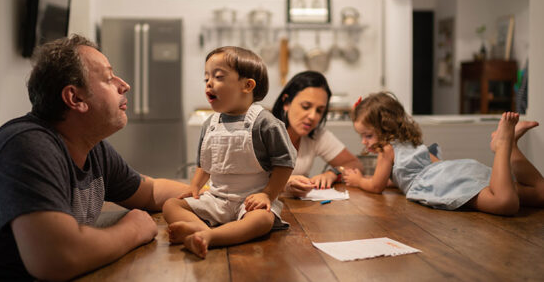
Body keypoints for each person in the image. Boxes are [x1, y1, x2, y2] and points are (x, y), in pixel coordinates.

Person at [0, 35, 190, 281]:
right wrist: (134, 229)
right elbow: (56, 258)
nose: (124, 85)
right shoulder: (26, 147)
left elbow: (150, 191)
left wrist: (213, 195)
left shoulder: (90, 147)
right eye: (109, 78)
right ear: (75, 98)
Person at [162, 46, 295, 258]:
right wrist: (194, 188)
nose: (209, 83)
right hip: (216, 199)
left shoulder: (265, 123)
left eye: (218, 76)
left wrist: (268, 194)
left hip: (251, 202)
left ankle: (209, 237)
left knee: (263, 220)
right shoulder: (210, 124)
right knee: (171, 204)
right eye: (206, 78)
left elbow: (285, 163)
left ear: (247, 85)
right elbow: (204, 164)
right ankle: (201, 232)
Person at [344, 91, 544, 216]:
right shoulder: (410, 143)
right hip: (454, 170)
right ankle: (513, 147)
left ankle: (504, 145)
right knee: (539, 194)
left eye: (368, 135)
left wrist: (359, 180)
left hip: (443, 182)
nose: (364, 141)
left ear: (385, 127)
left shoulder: (387, 149)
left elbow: (376, 186)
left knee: (505, 203)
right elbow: (414, 172)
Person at [271, 71, 364, 197]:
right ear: (286, 103)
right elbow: (246, 181)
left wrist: (333, 173)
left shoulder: (316, 135)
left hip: (297, 210)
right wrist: (285, 182)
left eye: (320, 110)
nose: (313, 116)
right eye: (305, 106)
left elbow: (356, 165)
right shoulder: (265, 131)